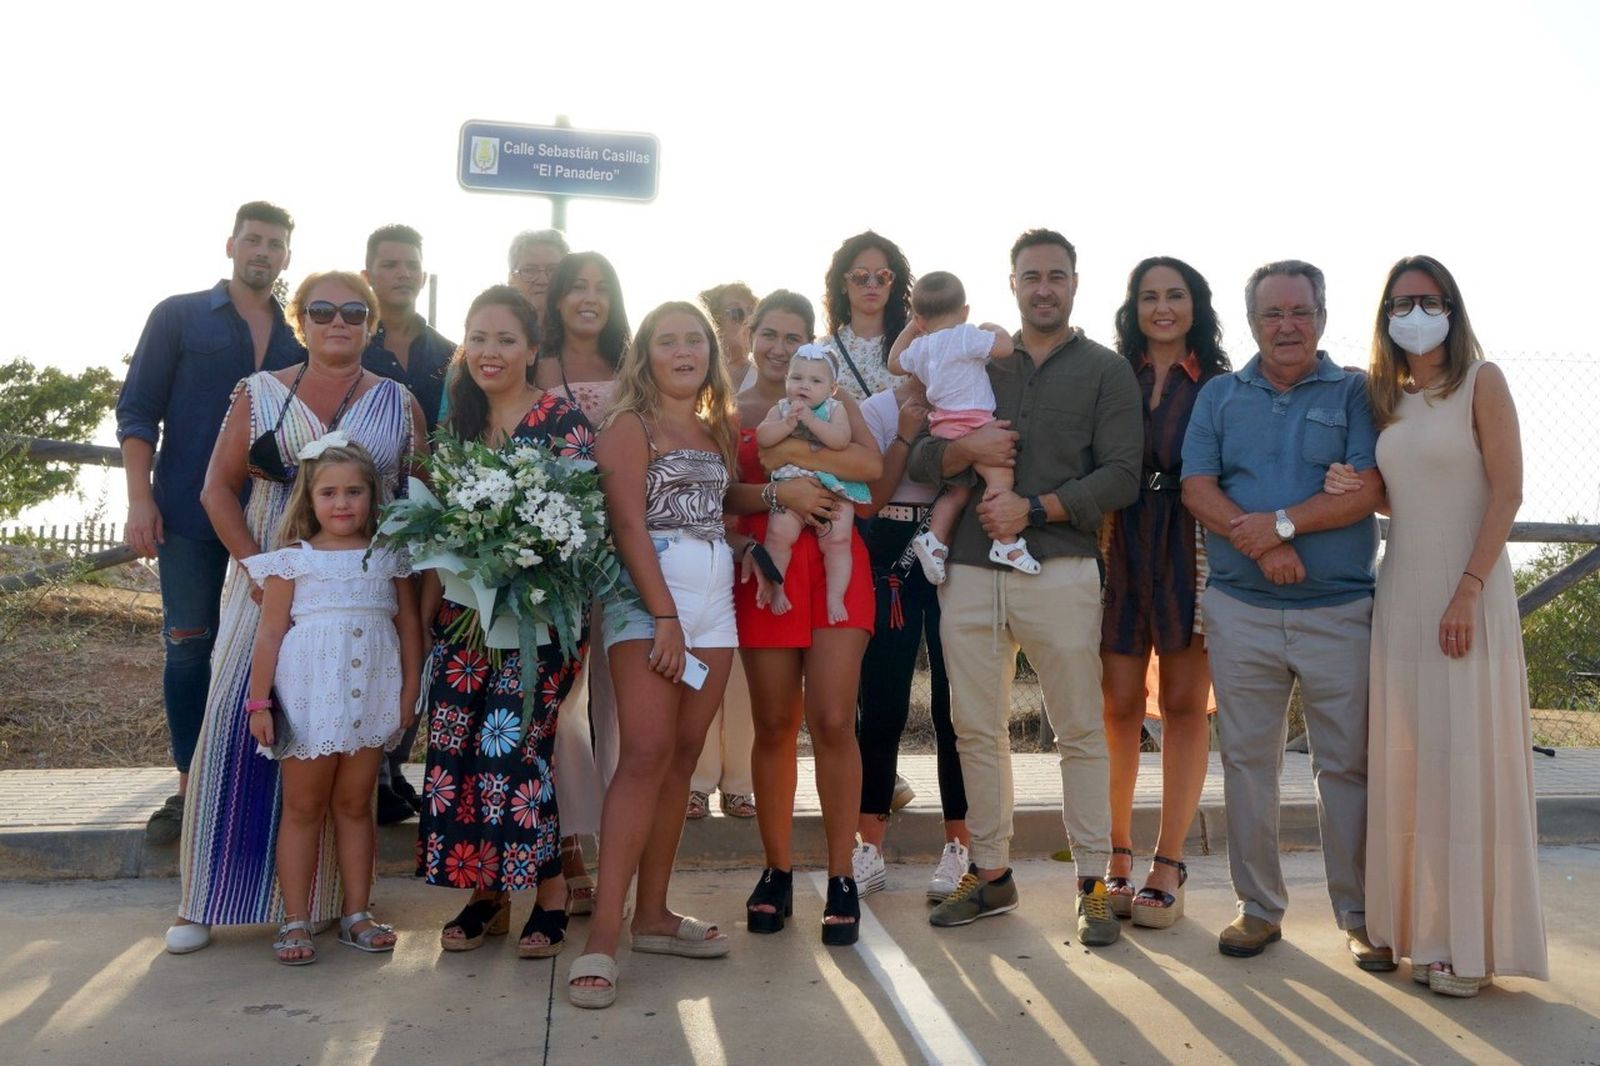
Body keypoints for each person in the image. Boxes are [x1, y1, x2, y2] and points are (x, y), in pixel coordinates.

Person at [165, 270, 426, 955]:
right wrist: (257, 566)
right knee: (234, 727)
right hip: (274, 586)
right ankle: (209, 896)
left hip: (365, 592)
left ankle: (342, 906)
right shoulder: (260, 394)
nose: (337, 321)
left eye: (353, 311)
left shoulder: (399, 403)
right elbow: (216, 491)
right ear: (299, 318)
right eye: (321, 310)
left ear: (371, 322)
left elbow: (423, 507)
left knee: (347, 770)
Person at [1323, 255, 1547, 996]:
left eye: (1428, 298)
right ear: (1385, 313)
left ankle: (1467, 946)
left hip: (1466, 594)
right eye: (1401, 300)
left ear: (1452, 306)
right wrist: (1356, 486)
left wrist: (1468, 590)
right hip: (1403, 596)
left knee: (1463, 764)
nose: (1414, 311)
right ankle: (1417, 929)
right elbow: (1404, 495)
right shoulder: (1387, 396)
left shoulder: (1482, 382)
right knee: (1413, 765)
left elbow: (1506, 491)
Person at [908, 229, 1140, 947]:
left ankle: (1093, 880)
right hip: (972, 570)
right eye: (1031, 275)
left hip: (1062, 567)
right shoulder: (976, 352)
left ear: (1074, 283)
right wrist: (963, 452)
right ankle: (992, 871)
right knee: (975, 727)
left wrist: (1036, 508)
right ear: (1012, 283)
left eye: (1057, 275)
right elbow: (918, 450)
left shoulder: (1106, 371)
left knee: (1077, 731)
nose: (1044, 287)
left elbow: (1123, 475)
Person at [1179, 259, 1392, 969]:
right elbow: (1196, 487)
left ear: (1323, 317)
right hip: (1240, 610)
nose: (1287, 325)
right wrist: (1263, 542)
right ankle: (1258, 909)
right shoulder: (1219, 396)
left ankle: (1362, 917)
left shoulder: (1356, 392)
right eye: (1273, 314)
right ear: (1253, 323)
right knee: (1247, 764)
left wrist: (1283, 528)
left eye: (1301, 311)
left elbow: (1366, 489)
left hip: (1340, 611)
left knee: (1347, 768)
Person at [116, 200, 306, 846]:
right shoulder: (178, 316)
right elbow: (138, 410)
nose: (262, 251)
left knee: (268, 646)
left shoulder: (296, 339)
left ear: (286, 256)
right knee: (190, 644)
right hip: (188, 515)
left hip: (270, 524)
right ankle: (189, 783)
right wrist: (140, 500)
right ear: (230, 245)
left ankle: (255, 780)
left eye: (275, 244)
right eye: (252, 239)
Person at [569, 301, 741, 1009]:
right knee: (643, 753)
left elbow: (717, 509)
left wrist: (774, 503)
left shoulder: (714, 427)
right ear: (645, 354)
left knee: (680, 757)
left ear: (709, 353)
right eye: (666, 340)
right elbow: (630, 523)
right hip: (650, 598)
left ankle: (655, 916)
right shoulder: (627, 426)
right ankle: (602, 938)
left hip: (716, 597)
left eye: (693, 340)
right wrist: (663, 615)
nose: (682, 350)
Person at [416, 286, 591, 958]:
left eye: (505, 339)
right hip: (462, 624)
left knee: (517, 757)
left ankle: (550, 892)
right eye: (477, 338)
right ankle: (486, 892)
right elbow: (434, 524)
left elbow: (581, 530)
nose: (489, 352)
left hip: (538, 624)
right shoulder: (457, 423)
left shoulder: (562, 421)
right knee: (458, 754)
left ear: (532, 348)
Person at [725, 289, 880, 945]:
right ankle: (777, 870)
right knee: (773, 722)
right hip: (770, 567)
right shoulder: (730, 407)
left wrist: (799, 462)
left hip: (838, 566)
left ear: (812, 347)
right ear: (751, 335)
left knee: (835, 719)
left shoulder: (837, 400)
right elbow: (720, 492)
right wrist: (775, 490)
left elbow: (871, 472)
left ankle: (842, 874)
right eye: (770, 335)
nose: (780, 349)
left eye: (795, 338)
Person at [241, 437, 420, 964]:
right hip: (309, 700)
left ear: (372, 496)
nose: (342, 503)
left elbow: (408, 625)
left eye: (354, 492)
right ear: (309, 499)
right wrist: (259, 704)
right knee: (303, 807)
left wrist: (409, 691)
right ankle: (295, 920)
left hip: (371, 697)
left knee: (354, 805)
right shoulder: (292, 562)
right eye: (329, 493)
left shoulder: (389, 557)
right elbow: (269, 635)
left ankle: (357, 914)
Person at [1099, 257, 1229, 928]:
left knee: (1183, 706)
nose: (1162, 307)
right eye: (1149, 296)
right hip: (1119, 542)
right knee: (1116, 705)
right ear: (1134, 307)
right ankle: (1115, 855)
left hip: (1190, 544)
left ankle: (1168, 862)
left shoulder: (1221, 385)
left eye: (1175, 295)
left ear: (1196, 305)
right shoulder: (1112, 375)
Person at [535, 250, 632, 915]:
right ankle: (568, 853)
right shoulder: (536, 367)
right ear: (559, 300)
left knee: (619, 712)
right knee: (560, 712)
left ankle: (621, 862)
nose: (588, 298)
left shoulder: (632, 368)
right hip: (555, 561)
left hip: (625, 557)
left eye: (601, 288)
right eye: (577, 288)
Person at [853, 371, 971, 900]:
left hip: (953, 545)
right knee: (879, 703)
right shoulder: (878, 407)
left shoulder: (974, 400)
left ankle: (960, 847)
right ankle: (868, 846)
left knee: (956, 706)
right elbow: (869, 490)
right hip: (889, 551)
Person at [359, 222, 457, 825]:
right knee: (370, 639)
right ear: (369, 272)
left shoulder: (449, 352)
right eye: (389, 263)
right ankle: (366, 767)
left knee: (417, 637)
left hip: (430, 518)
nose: (401, 273)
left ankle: (393, 765)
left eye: (410, 263)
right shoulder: (347, 336)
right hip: (357, 521)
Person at [887, 271, 1033, 579]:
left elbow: (894, 362)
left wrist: (914, 327)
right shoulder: (967, 335)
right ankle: (1004, 542)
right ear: (964, 311)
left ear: (921, 320)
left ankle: (935, 540)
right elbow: (1005, 348)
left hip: (943, 426)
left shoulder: (922, 347)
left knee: (956, 490)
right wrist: (992, 328)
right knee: (1000, 475)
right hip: (975, 424)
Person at [755, 344, 872, 621]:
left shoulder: (834, 409)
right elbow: (763, 437)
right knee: (778, 535)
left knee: (838, 540)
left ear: (832, 388)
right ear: (786, 381)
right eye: (797, 378)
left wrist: (810, 420)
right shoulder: (781, 409)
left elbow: (840, 440)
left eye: (815, 381)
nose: (804, 386)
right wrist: (786, 425)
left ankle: (835, 597)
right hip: (790, 486)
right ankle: (778, 586)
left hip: (832, 487)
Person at [822, 231, 913, 400]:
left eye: (882, 276)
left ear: (892, 285)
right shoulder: (825, 351)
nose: (872, 284)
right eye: (861, 276)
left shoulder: (912, 344)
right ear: (843, 283)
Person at [701, 281, 758, 391]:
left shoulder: (767, 377)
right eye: (736, 313)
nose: (747, 320)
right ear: (714, 321)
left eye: (752, 313)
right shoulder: (697, 373)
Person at [507, 228, 570, 324]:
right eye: (530, 270)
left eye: (552, 270)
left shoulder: (583, 332)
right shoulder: (494, 327)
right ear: (512, 279)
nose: (542, 280)